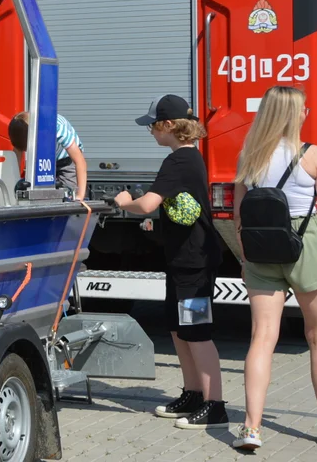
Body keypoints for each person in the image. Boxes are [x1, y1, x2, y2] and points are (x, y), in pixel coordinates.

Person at [231, 86, 317, 450]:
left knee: (262, 338)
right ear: (293, 114)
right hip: (306, 243)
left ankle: (251, 428)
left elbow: (239, 214)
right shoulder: (313, 155)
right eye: (303, 108)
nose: (306, 113)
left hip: (260, 250)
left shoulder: (248, 155)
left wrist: (244, 258)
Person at [113, 94, 227, 430]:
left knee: (197, 333)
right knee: (179, 330)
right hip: (183, 260)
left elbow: (147, 204)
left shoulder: (178, 162)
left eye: (152, 126)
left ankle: (215, 405)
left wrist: (124, 202)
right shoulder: (188, 158)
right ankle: (193, 393)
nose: (150, 132)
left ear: (168, 126)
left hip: (194, 263)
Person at [3, 110, 87, 200]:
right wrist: (14, 186)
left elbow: (80, 161)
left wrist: (80, 195)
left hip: (66, 158)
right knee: (38, 192)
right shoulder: (21, 133)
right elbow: (17, 160)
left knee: (68, 194)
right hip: (45, 158)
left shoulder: (57, 128)